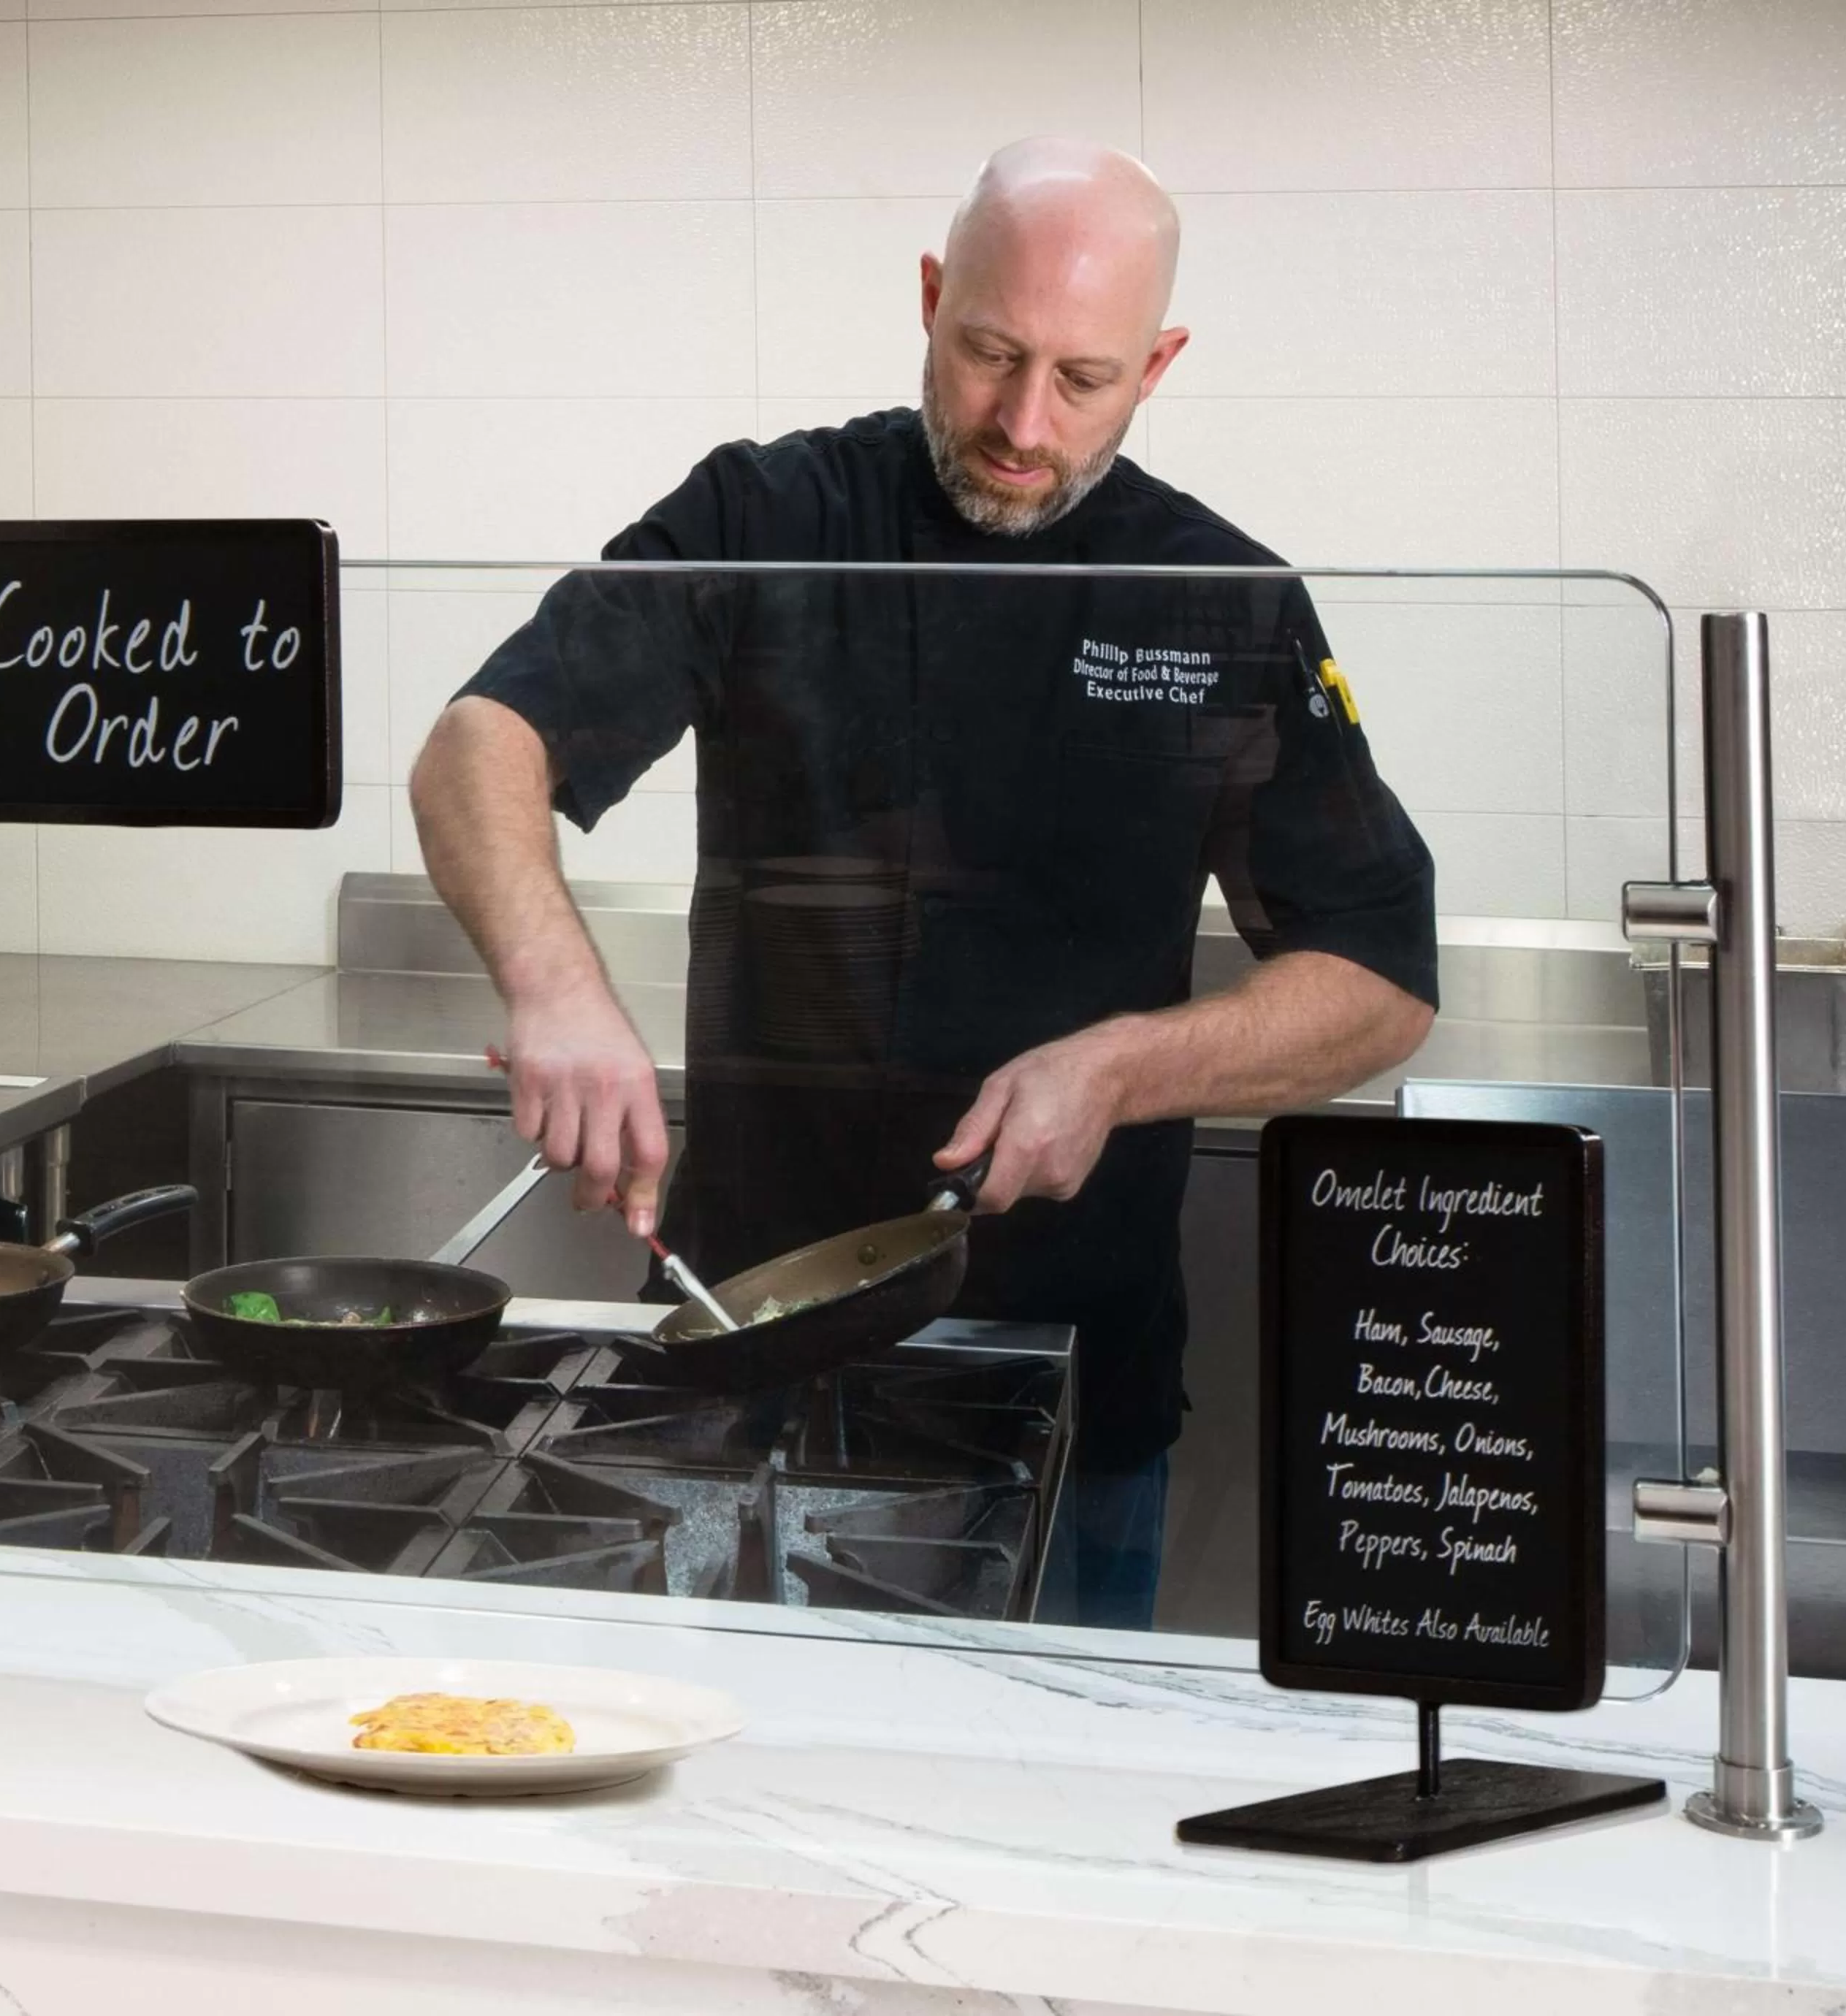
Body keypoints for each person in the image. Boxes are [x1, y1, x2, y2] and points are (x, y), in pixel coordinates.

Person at [410, 137, 1437, 1627]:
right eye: (989, 354)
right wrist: (555, 979)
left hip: (1065, 1373)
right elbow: (477, 743)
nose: (1023, 422)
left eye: (1083, 379)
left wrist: (1130, 1066)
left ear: (1160, 363)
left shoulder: (1219, 598)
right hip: (738, 1350)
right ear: (930, 296)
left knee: (1035, 1826)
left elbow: (1382, 980)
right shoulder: (768, 518)